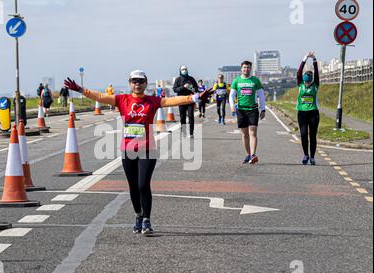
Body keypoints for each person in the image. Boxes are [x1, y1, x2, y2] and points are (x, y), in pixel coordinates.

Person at [64, 70, 212, 235]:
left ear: (145, 83)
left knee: (143, 185)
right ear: (129, 83)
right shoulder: (122, 99)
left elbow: (172, 100)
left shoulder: (152, 101)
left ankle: (147, 220)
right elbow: (100, 97)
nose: (137, 84)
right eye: (134, 81)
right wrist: (80, 89)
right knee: (133, 187)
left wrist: (194, 97)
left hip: (147, 149)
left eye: (140, 81)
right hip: (128, 150)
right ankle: (138, 215)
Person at [229, 61, 266, 164]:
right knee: (245, 134)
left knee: (253, 131)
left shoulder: (255, 81)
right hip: (241, 110)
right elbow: (231, 95)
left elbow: (261, 95)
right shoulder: (236, 81)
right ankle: (248, 154)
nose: (246, 69)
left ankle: (253, 155)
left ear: (250, 69)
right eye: (244, 67)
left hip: (253, 109)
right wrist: (232, 106)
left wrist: (263, 109)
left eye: (248, 67)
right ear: (241, 69)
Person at [297, 52, 320, 165]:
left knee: (313, 135)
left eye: (307, 81)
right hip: (302, 113)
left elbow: (316, 74)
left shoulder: (315, 85)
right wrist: (305, 58)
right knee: (304, 134)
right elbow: (299, 72)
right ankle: (306, 154)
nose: (306, 83)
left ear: (310, 80)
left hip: (313, 113)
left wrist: (314, 59)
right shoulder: (300, 84)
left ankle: (312, 157)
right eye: (305, 81)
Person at [173, 65, 198, 138]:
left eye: (185, 69)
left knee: (191, 116)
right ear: (180, 71)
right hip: (181, 100)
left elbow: (196, 88)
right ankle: (183, 132)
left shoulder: (191, 79)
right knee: (182, 117)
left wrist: (192, 88)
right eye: (183, 69)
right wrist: (183, 87)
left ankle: (191, 133)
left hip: (190, 99)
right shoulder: (178, 79)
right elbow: (175, 89)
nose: (184, 70)